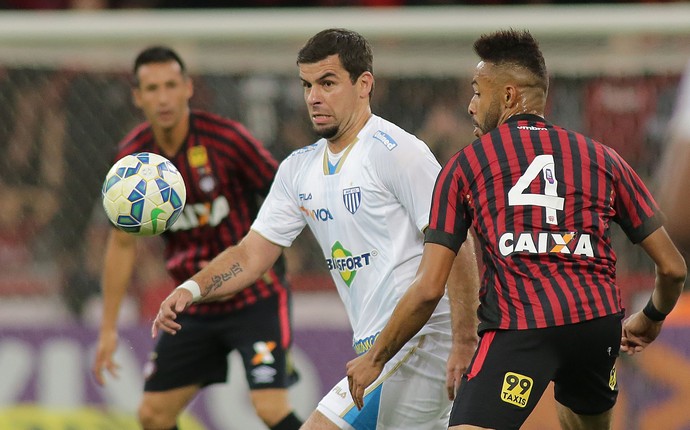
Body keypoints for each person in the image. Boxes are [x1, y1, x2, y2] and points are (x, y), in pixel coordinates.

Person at [345, 29, 688, 430]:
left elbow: (428, 288)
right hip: (597, 326)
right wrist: (650, 317)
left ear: (508, 97)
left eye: (477, 92)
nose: (471, 106)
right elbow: (673, 268)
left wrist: (376, 357)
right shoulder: (603, 158)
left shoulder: (465, 166)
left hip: (521, 326)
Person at [152, 28, 480, 430]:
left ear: (364, 85)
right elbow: (251, 254)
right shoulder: (298, 169)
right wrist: (193, 288)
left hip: (420, 339)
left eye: (327, 83)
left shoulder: (398, 152)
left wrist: (465, 339)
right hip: (378, 347)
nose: (313, 97)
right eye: (307, 85)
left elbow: (456, 241)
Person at [91, 46, 302, 430]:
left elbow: (286, 193)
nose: (163, 97)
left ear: (189, 88)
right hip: (191, 304)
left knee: (270, 407)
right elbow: (122, 245)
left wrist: (287, 249)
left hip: (254, 297)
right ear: (137, 97)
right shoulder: (132, 161)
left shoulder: (228, 140)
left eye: (171, 85)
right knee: (153, 416)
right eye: (152, 88)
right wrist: (108, 330)